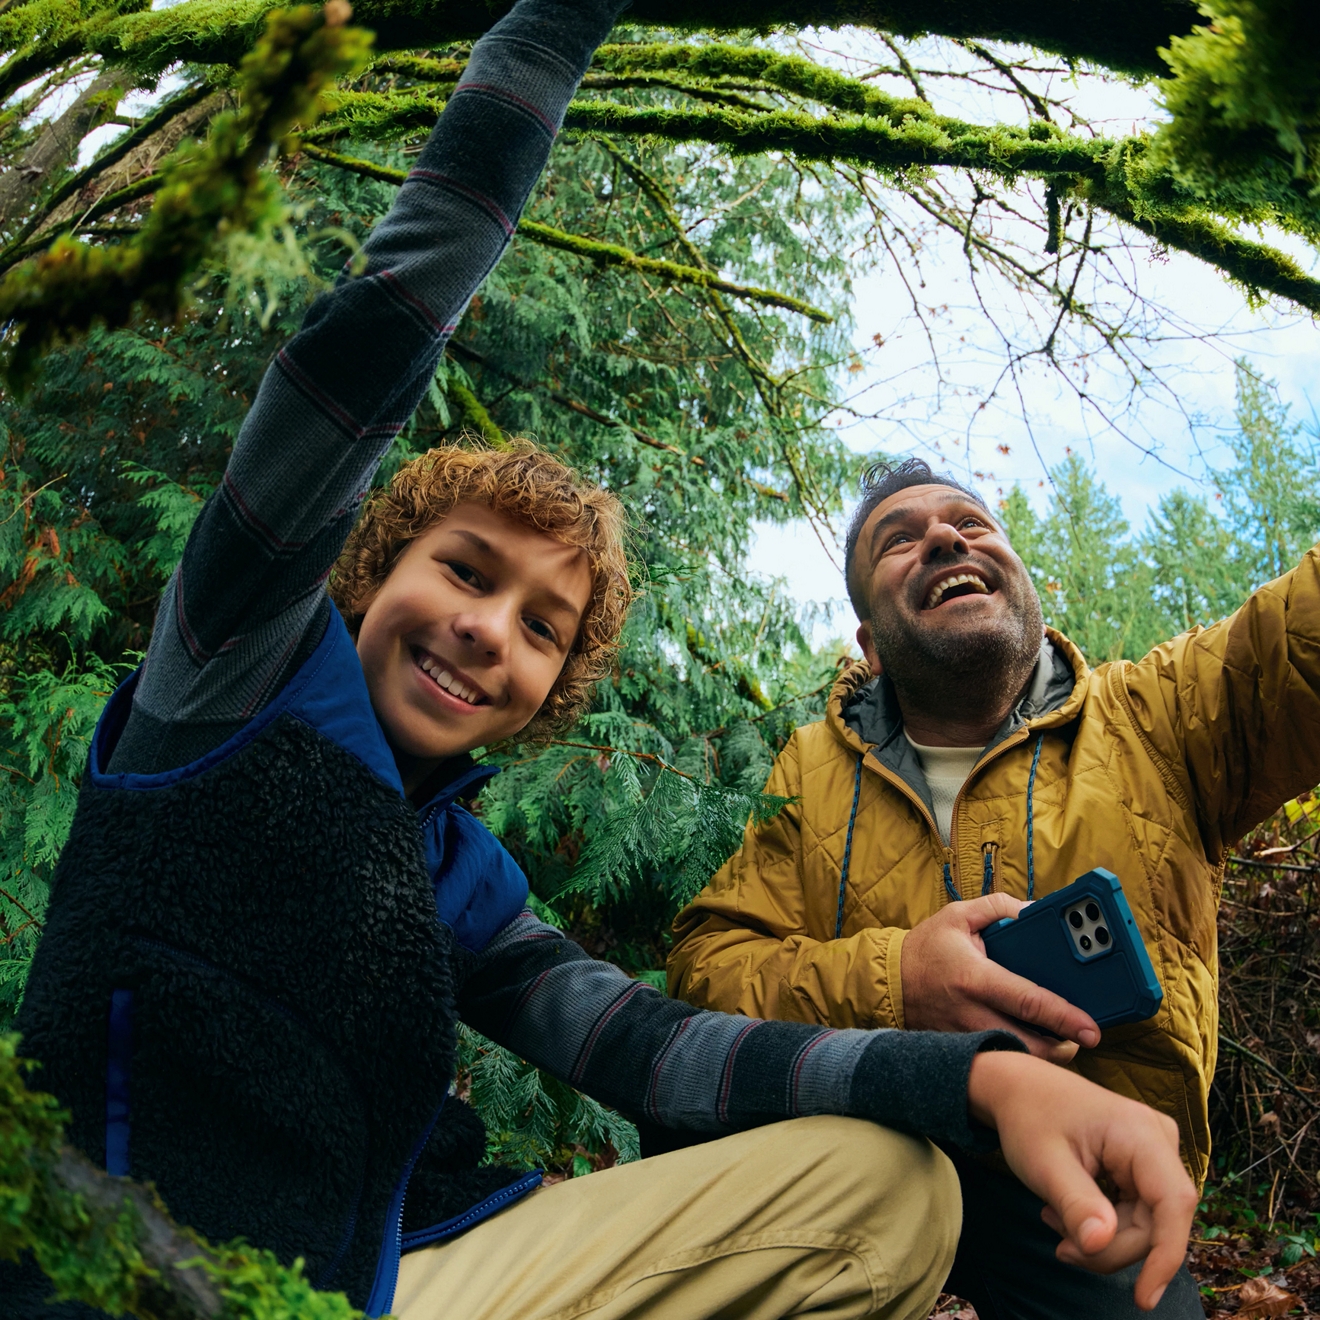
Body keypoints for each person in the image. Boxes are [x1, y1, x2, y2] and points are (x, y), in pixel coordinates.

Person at [1, 9, 1198, 1320]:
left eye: (540, 626)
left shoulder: (462, 880)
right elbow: (367, 349)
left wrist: (981, 1081)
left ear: (547, 693)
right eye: (464, 571)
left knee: (889, 1185)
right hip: (122, 1282)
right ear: (367, 572)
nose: (486, 629)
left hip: (401, 1279)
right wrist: (555, 25)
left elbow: (655, 1051)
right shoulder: (228, 675)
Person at [667, 454, 1320, 1318]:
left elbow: (1295, 646)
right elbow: (707, 969)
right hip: (858, 1150)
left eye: (972, 525)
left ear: (1023, 583)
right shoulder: (808, 769)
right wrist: (898, 982)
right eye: (898, 541)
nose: (943, 535)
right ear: (869, 642)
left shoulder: (1158, 715)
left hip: (1086, 1180)